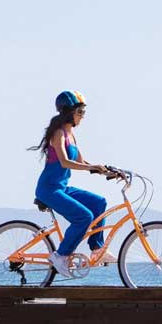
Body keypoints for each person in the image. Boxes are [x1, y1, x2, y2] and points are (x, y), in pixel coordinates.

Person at [34, 91, 125, 275]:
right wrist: (91, 167)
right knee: (84, 217)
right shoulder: (58, 134)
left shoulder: (71, 134)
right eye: (80, 112)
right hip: (49, 189)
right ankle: (60, 255)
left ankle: (97, 249)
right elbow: (65, 162)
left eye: (84, 112)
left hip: (62, 188)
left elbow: (82, 162)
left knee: (99, 202)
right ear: (69, 112)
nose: (83, 116)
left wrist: (107, 171)